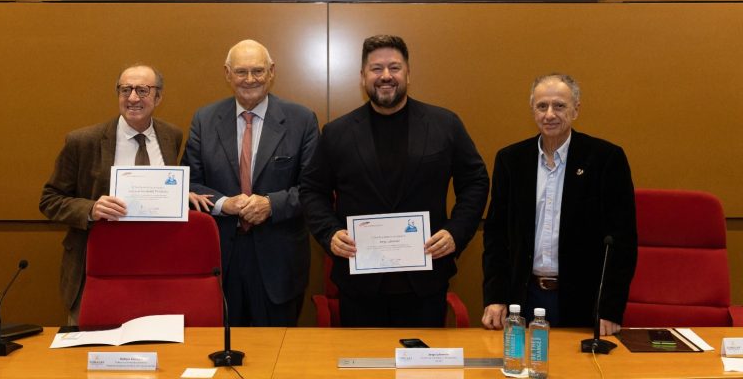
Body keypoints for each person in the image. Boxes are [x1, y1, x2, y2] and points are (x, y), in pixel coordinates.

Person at [302, 34, 489, 327]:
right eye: (376, 69)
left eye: (394, 67)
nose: (386, 76)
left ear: (408, 74)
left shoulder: (444, 125)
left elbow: (476, 181)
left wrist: (456, 232)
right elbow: (312, 190)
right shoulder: (337, 132)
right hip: (359, 285)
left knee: (421, 372)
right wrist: (329, 233)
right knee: (364, 370)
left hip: (425, 285)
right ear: (363, 76)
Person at [481, 73, 637, 335]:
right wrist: (495, 296)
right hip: (524, 298)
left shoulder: (605, 159)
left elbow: (622, 242)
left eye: (559, 106)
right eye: (542, 106)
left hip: (583, 300)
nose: (549, 114)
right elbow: (496, 236)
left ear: (576, 110)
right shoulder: (511, 160)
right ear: (533, 110)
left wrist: (609, 308)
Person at [181, 39, 319, 326]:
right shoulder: (205, 119)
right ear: (227, 74)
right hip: (221, 258)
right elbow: (188, 181)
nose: (250, 79)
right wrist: (223, 204)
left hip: (278, 261)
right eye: (241, 72)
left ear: (271, 72)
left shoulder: (301, 119)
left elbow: (313, 187)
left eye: (257, 71)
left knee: (276, 356)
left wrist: (271, 204)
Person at [40, 64, 183, 323]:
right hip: (95, 268)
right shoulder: (83, 141)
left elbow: (166, 188)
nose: (132, 98)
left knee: (156, 349)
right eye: (125, 89)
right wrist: (91, 209)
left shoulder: (171, 136)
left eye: (143, 90)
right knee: (90, 352)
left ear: (158, 97)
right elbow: (50, 200)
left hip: (155, 267)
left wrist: (185, 195)